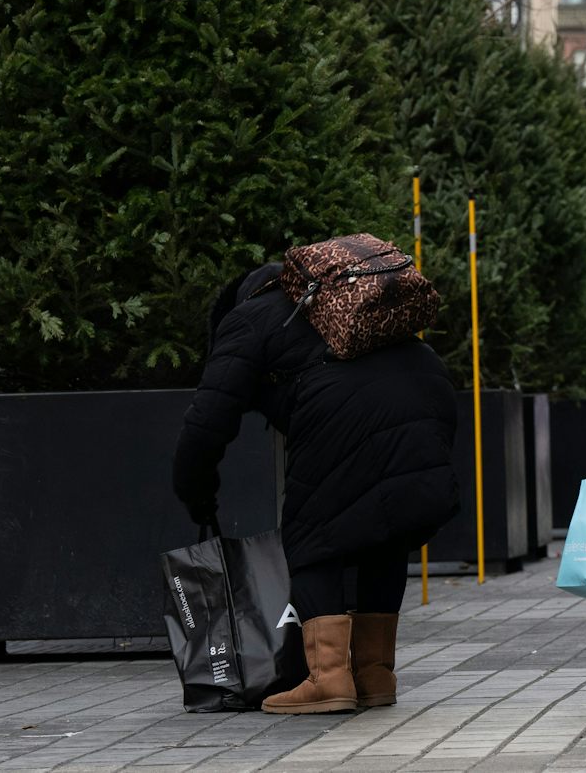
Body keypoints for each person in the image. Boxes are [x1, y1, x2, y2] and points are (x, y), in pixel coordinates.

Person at [172, 263, 459, 715]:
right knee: (385, 532)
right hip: (429, 392)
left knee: (313, 535)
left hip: (348, 410)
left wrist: (195, 491)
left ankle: (328, 679)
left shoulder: (247, 319)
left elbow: (207, 421)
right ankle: (374, 673)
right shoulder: (331, 303)